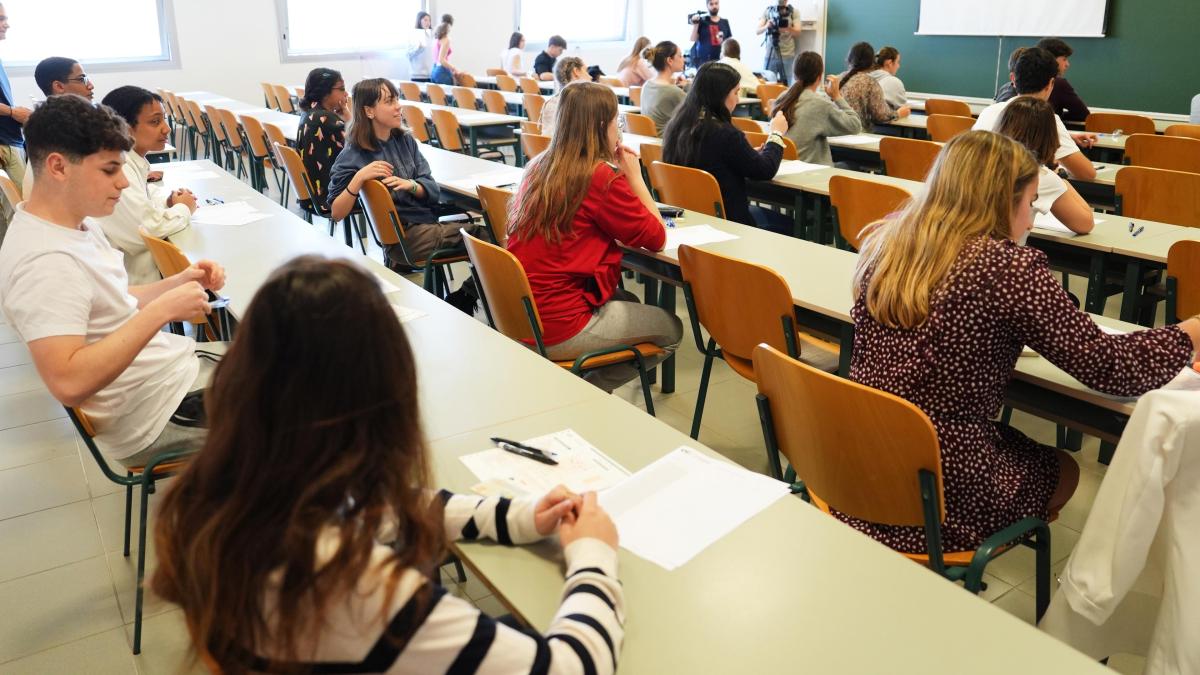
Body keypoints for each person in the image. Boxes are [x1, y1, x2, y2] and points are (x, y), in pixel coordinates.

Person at [151, 256, 625, 674]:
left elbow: (380, 508)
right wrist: (593, 557)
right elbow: (575, 667)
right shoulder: (360, 587)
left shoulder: (224, 492)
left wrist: (517, 517)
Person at [848, 129, 1200, 556]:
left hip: (860, 461)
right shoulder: (1006, 268)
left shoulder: (886, 241)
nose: (1032, 220)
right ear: (1001, 200)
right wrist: (1190, 331)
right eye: (1030, 204)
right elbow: (1110, 368)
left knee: (1011, 443)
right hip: (944, 490)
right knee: (1066, 469)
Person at [0, 94, 227, 467]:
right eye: (109, 170)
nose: (123, 183)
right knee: (316, 406)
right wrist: (159, 314)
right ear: (58, 167)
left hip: (169, 378)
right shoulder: (45, 261)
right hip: (154, 415)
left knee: (297, 364)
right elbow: (68, 382)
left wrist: (179, 281)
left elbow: (111, 301)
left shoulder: (74, 223)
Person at [507, 82, 682, 392]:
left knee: (628, 300)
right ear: (603, 125)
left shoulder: (537, 166)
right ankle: (586, 392)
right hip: (560, 324)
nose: (620, 128)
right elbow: (656, 237)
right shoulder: (600, 176)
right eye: (618, 121)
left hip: (520, 313)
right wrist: (634, 177)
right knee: (671, 329)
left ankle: (579, 386)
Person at [328, 79, 485, 276]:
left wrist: (411, 185)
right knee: (487, 238)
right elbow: (336, 213)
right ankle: (464, 298)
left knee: (487, 236)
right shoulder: (353, 155)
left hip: (425, 226)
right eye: (389, 101)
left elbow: (433, 190)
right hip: (406, 238)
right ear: (369, 111)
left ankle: (463, 296)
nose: (398, 106)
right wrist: (358, 178)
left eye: (397, 99)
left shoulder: (405, 141)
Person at [663, 62, 790, 232]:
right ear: (720, 94)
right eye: (736, 92)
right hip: (725, 224)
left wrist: (748, 154)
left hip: (683, 220)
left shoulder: (677, 125)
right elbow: (765, 170)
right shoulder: (725, 134)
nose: (737, 99)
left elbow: (714, 159)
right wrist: (776, 134)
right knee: (792, 226)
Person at [93, 86, 198, 285]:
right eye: (155, 122)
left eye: (164, 119)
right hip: (132, 281)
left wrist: (168, 201)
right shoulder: (118, 167)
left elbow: (144, 197)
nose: (166, 128)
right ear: (124, 127)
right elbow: (150, 227)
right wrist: (184, 208)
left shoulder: (128, 159)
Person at [973, 47, 1097, 181]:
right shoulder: (1047, 119)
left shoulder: (989, 111)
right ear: (1051, 84)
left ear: (1013, 79)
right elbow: (1087, 174)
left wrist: (1068, 136)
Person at [996, 96, 1094, 235]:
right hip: (1007, 255)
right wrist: (1058, 175)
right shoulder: (1038, 175)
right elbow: (1085, 223)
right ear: (1051, 135)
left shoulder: (984, 163)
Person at [772, 51, 862, 166]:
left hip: (784, 166)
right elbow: (855, 125)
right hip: (810, 171)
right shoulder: (820, 104)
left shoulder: (782, 97)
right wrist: (837, 96)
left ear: (794, 74)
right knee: (851, 165)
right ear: (819, 77)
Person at [295, 68, 350, 208]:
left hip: (311, 192)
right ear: (325, 92)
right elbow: (358, 145)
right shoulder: (325, 118)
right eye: (341, 89)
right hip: (331, 194)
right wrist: (349, 117)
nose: (346, 93)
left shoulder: (308, 113)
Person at [0, 4, 31, 209]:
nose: (7, 24)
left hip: (11, 140)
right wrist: (12, 112)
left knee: (23, 208)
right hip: (4, 144)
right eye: (1, 19)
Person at [840, 41, 911, 129]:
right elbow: (881, 115)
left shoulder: (840, 77)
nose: (899, 66)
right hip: (856, 132)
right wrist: (898, 114)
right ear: (871, 62)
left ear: (849, 59)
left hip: (835, 132)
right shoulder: (869, 82)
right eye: (898, 62)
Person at [1037, 37, 1090, 123]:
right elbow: (1083, 114)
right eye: (1064, 59)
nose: (1067, 64)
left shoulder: (1021, 80)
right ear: (1051, 59)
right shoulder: (1059, 83)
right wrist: (1058, 116)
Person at [640, 41, 687, 136]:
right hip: (667, 144)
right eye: (680, 56)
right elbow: (698, 113)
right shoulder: (673, 92)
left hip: (649, 144)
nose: (683, 59)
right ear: (670, 60)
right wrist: (689, 87)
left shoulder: (647, 85)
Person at [756, 0, 803, 84]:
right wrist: (767, 26)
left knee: (787, 84)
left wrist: (788, 28)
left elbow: (798, 32)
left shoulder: (793, 12)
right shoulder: (768, 11)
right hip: (770, 54)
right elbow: (757, 31)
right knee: (767, 83)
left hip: (787, 54)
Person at [540, 56, 588, 136]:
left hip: (547, 147)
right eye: (586, 71)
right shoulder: (581, 104)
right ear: (576, 72)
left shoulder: (550, 103)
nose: (590, 76)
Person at [689, 0, 731, 67]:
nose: (714, 6)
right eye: (711, 4)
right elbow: (693, 39)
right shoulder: (702, 21)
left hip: (722, 61)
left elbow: (729, 43)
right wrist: (696, 24)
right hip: (704, 63)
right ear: (707, 6)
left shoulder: (725, 22)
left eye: (716, 3)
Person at [868, 46, 906, 112]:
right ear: (890, 63)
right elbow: (903, 109)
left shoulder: (863, 78)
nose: (898, 66)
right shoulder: (894, 82)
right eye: (898, 62)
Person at [406, 11, 434, 82]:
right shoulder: (413, 35)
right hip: (417, 74)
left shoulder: (430, 35)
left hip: (430, 74)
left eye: (429, 20)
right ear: (419, 20)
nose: (428, 22)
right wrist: (418, 48)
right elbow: (408, 55)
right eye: (425, 20)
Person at [430, 21, 457, 86]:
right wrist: (453, 68)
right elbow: (441, 60)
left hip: (434, 69)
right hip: (442, 70)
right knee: (448, 94)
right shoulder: (446, 40)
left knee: (436, 95)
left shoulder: (435, 40)